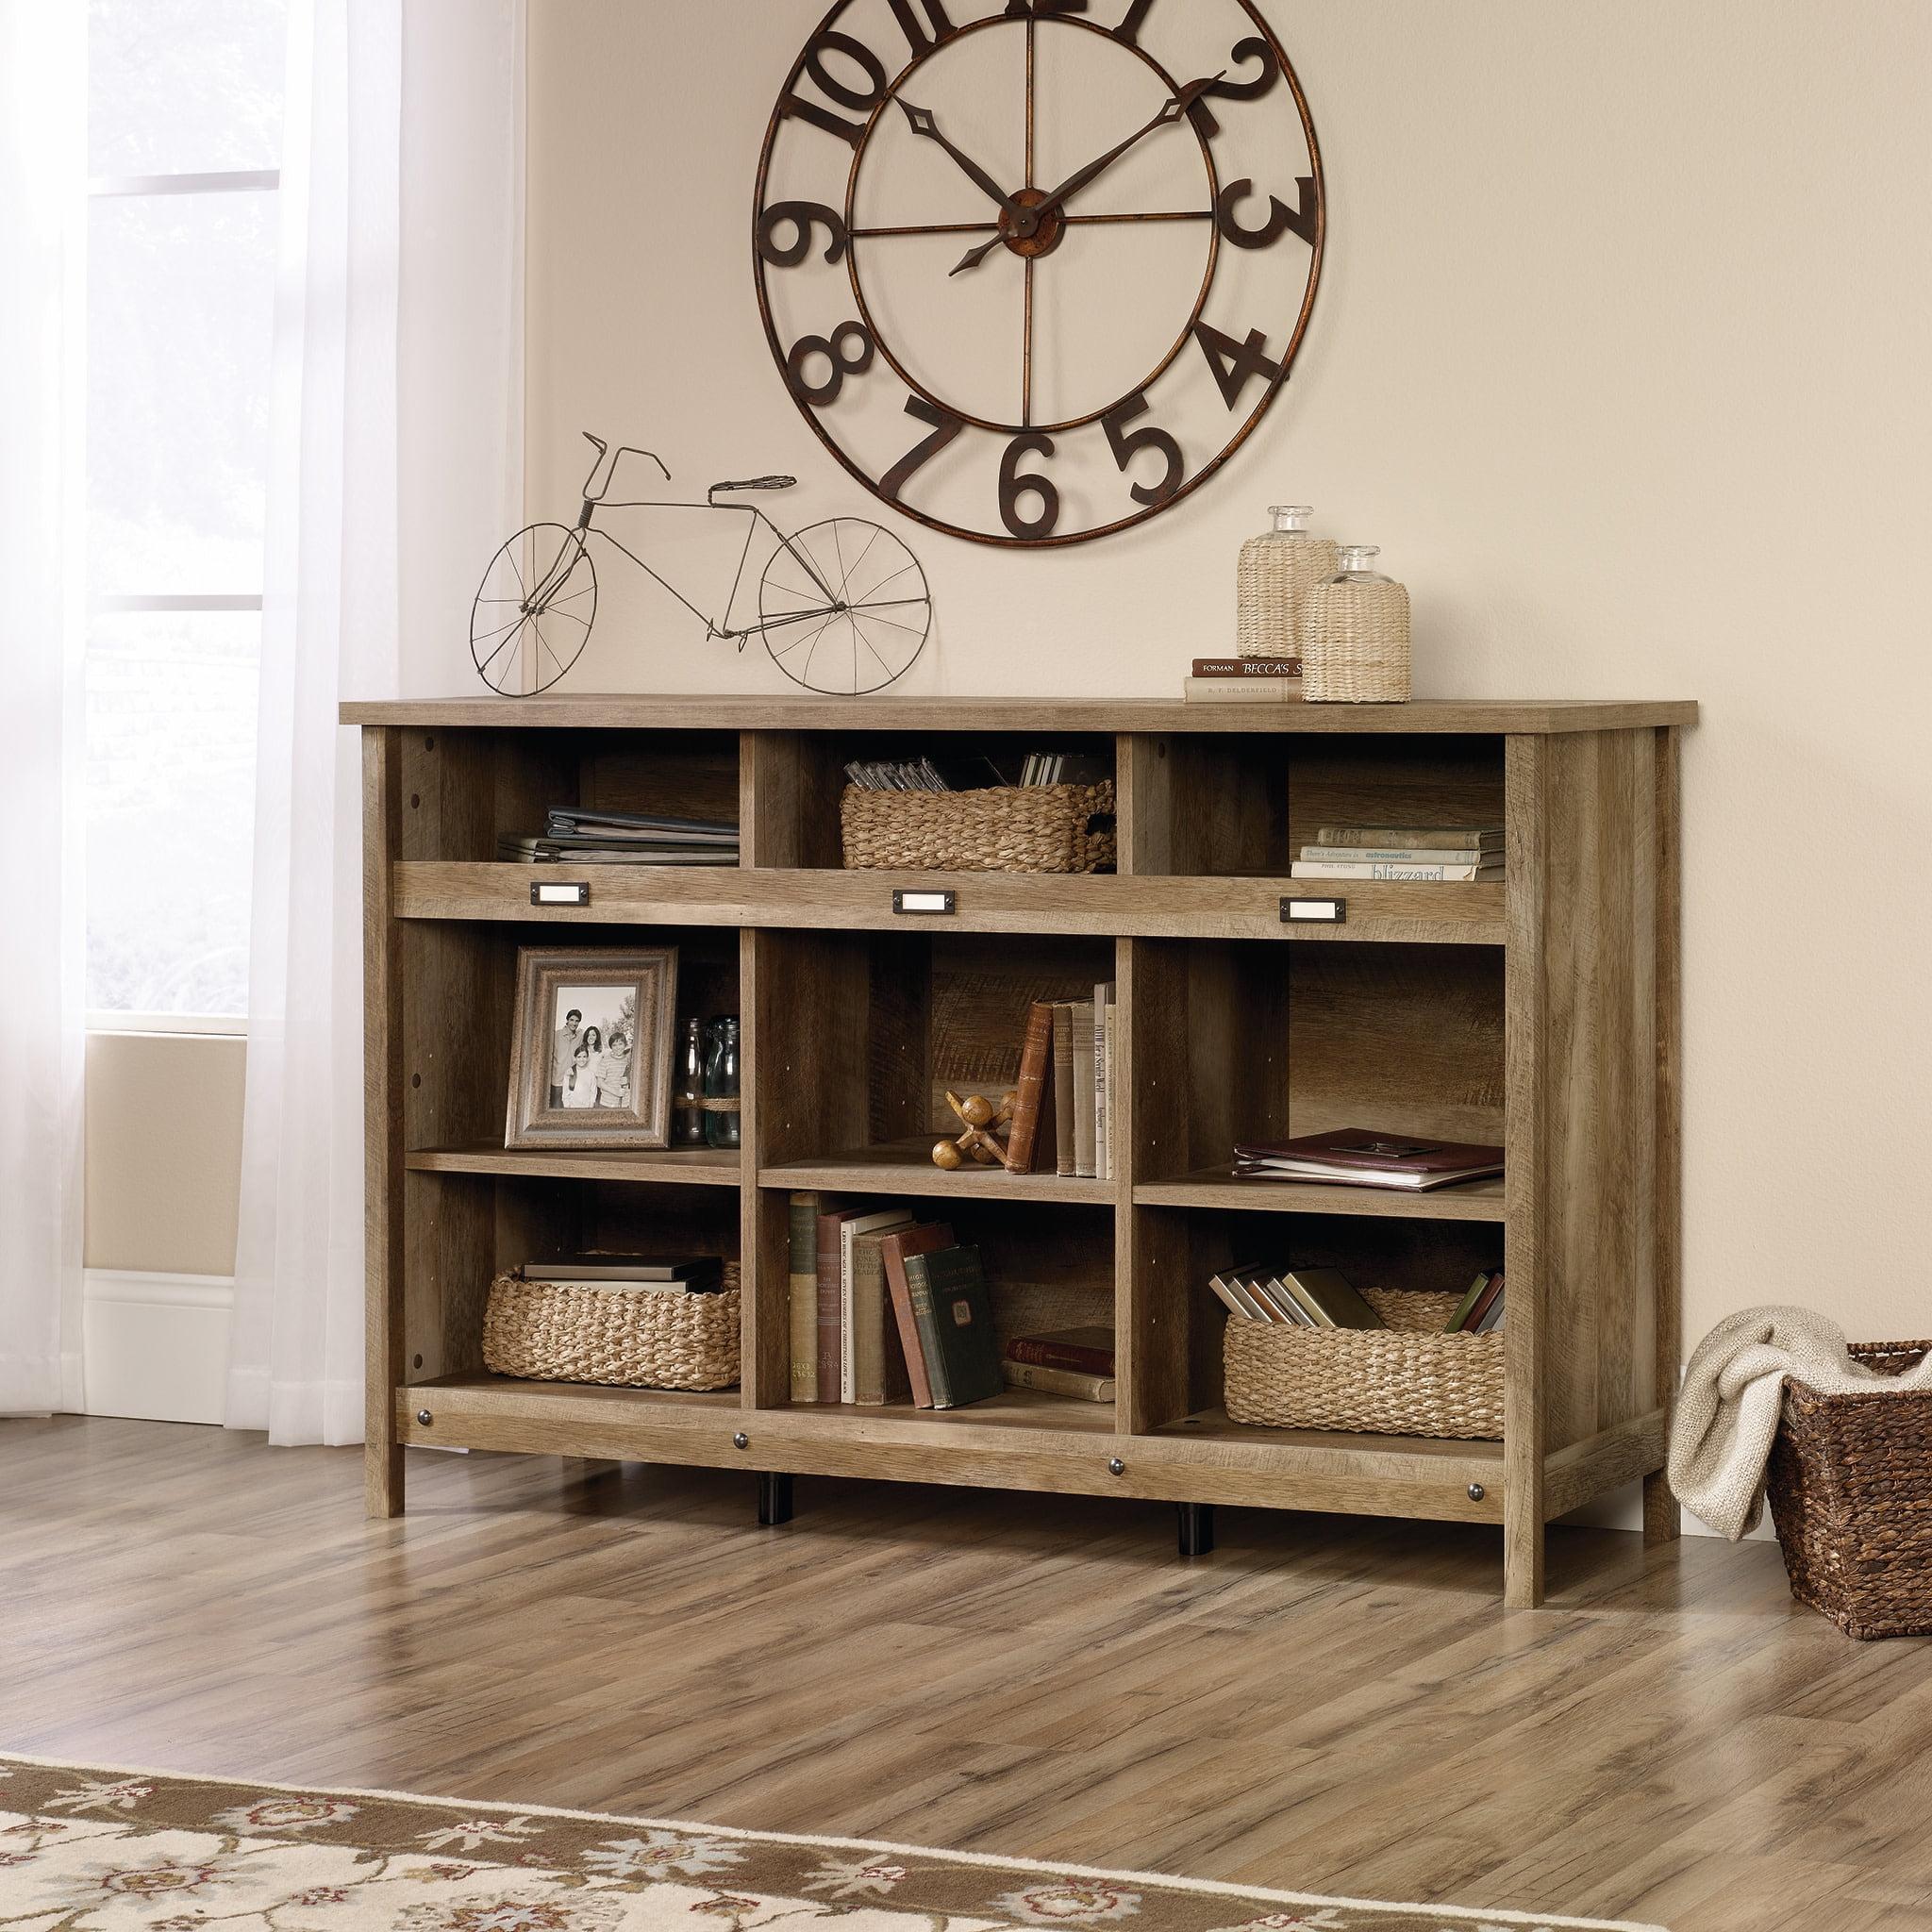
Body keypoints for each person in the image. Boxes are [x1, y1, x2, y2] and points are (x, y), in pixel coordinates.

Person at [550, 1008, 582, 1108]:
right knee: (556, 1110)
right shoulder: (556, 1035)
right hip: (557, 1080)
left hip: (572, 1081)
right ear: (567, 1020)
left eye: (577, 1021)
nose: (574, 1023)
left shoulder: (580, 1036)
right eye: (572, 1020)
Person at [595, 1028, 633, 1110]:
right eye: (614, 1045)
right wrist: (616, 1092)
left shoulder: (629, 1061)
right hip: (607, 1103)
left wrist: (628, 1080)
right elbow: (599, 1083)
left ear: (625, 1045)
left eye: (620, 1044)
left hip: (625, 1104)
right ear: (611, 1047)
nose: (618, 1047)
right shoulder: (605, 1060)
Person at [560, 1040, 598, 1108]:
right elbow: (565, 1094)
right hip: (572, 1108)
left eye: (584, 1056)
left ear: (587, 1058)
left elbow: (593, 1093)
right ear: (575, 1058)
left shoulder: (591, 1074)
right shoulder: (570, 1072)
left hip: (587, 1108)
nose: (582, 1059)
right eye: (579, 1057)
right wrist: (567, 1107)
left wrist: (590, 1106)